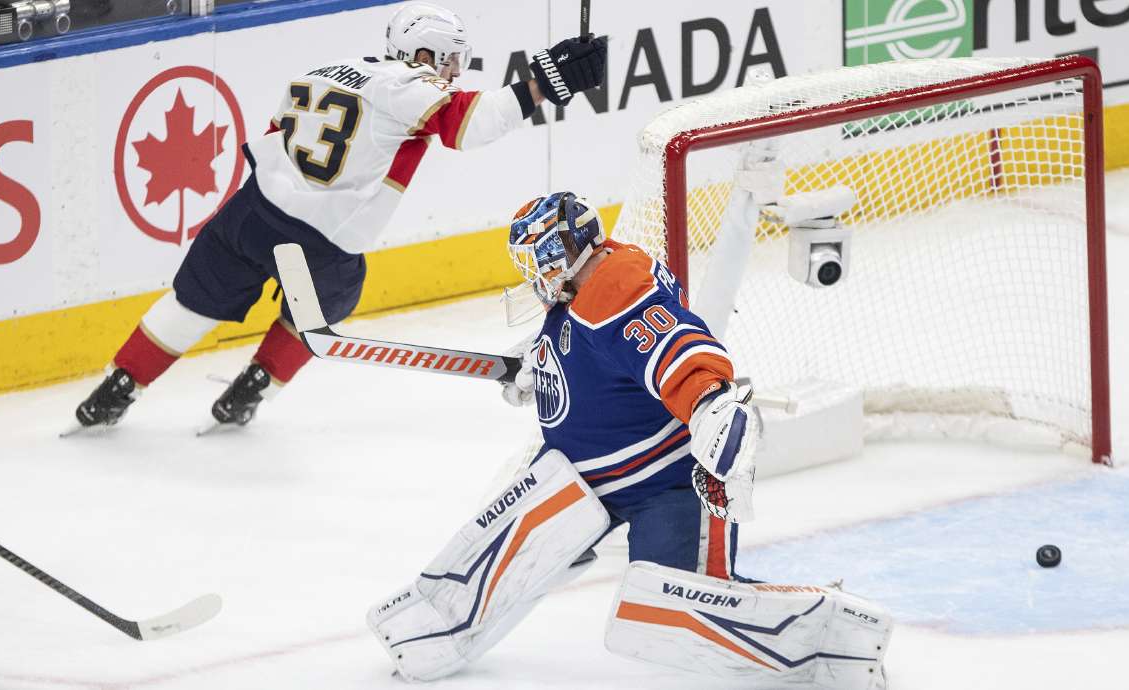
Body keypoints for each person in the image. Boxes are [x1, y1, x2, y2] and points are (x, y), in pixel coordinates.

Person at [366, 192, 893, 687]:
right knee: (506, 543)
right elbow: (596, 343)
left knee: (669, 613)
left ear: (569, 248)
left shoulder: (616, 284)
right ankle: (437, 626)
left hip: (666, 485)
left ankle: (829, 635)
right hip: (576, 479)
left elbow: (677, 346)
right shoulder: (583, 287)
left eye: (540, 258)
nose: (535, 274)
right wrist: (544, 363)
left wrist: (709, 401)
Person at [73, 2, 607, 430]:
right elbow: (471, 125)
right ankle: (259, 382)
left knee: (192, 300)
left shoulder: (322, 72)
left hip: (251, 212)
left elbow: (277, 136)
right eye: (448, 61)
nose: (452, 73)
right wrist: (545, 82)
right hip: (321, 242)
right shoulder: (407, 84)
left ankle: (119, 384)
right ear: (423, 53)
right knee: (328, 301)